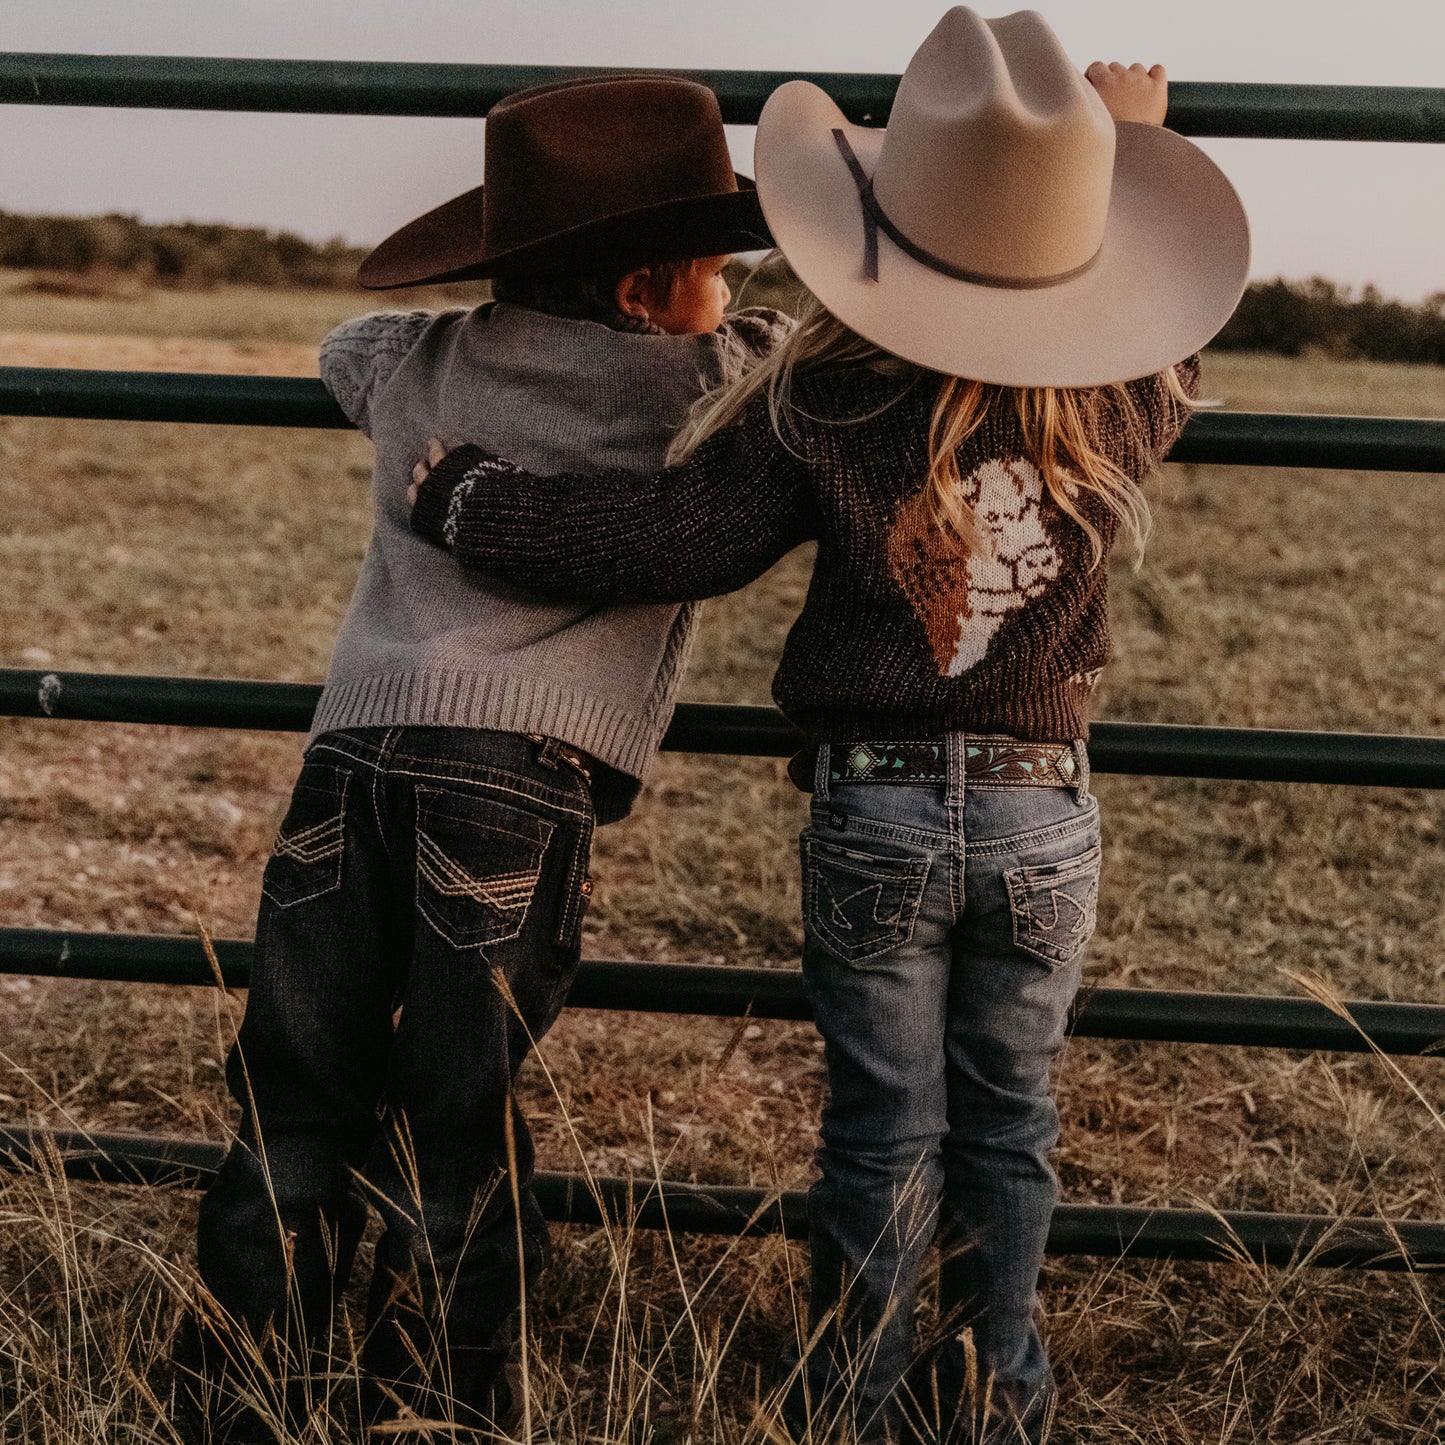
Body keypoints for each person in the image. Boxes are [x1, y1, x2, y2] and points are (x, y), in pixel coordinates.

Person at [406, 11, 1249, 1442]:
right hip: (1044, 810)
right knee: (1012, 1123)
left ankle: (850, 1399)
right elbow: (1166, 328)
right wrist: (1137, 149)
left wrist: (471, 502)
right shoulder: (1118, 393)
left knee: (879, 1128)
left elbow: (676, 533)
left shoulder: (826, 390)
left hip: (875, 807)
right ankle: (996, 1399)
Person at [172, 74, 782, 1442]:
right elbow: (777, 360)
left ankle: (232, 1395)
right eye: (713, 271)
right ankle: (443, 1405)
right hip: (510, 778)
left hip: (354, 751)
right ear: (643, 290)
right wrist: (721, 324)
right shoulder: (707, 381)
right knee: (456, 1107)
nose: (728, 295)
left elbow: (346, 345)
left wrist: (477, 321)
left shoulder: (419, 363)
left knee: (292, 1087)